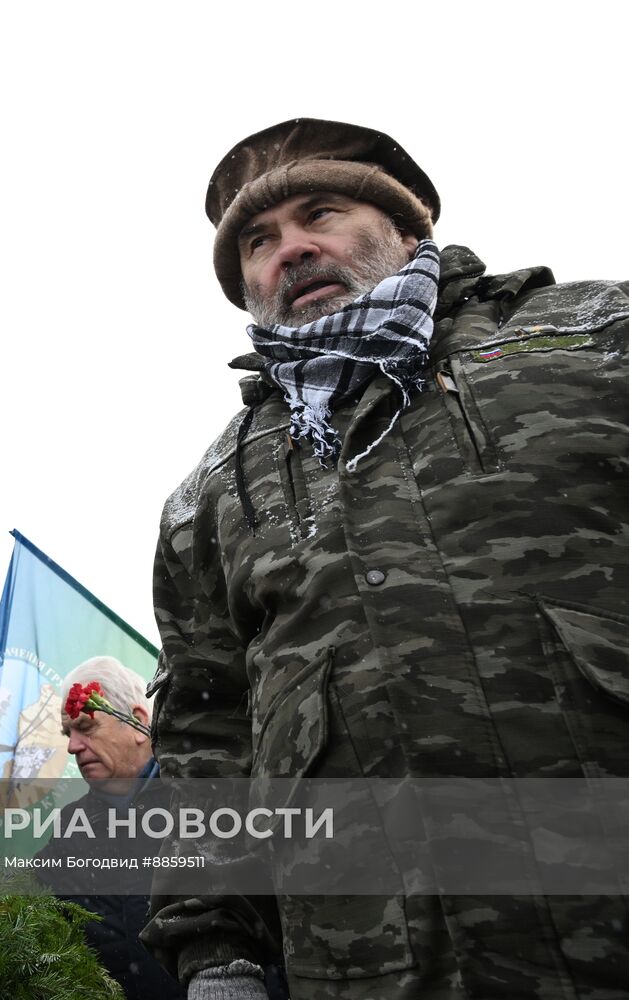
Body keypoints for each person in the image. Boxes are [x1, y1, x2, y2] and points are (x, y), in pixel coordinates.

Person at [141, 118, 629, 999]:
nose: (290, 251)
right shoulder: (209, 495)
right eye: (259, 241)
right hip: (372, 966)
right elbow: (204, 737)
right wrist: (219, 953)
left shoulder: (595, 340)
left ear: (406, 229)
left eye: (318, 214)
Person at [34, 656, 182, 1000]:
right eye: (68, 733)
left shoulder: (201, 797)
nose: (72, 746)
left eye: (85, 728)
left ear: (137, 722)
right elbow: (28, 903)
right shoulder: (70, 826)